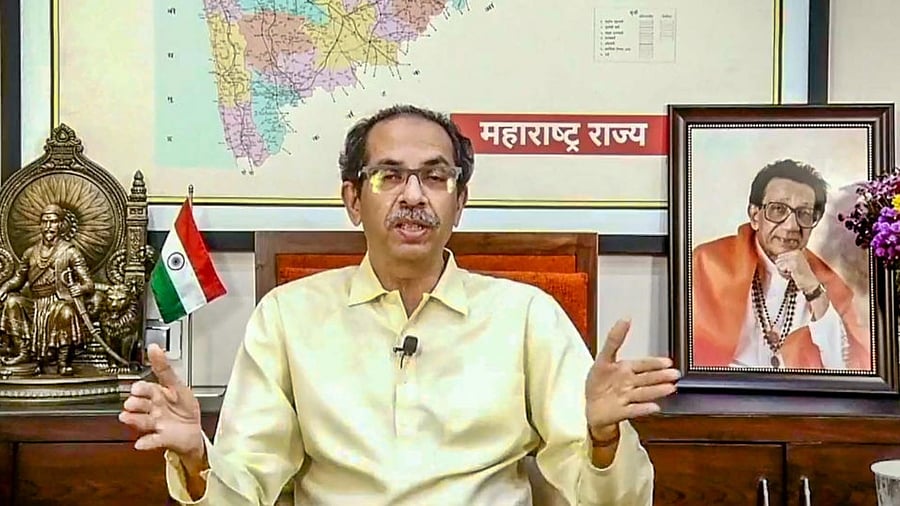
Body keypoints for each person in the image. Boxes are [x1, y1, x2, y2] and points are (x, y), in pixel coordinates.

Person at [119, 105, 679, 505]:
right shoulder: (288, 317)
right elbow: (245, 490)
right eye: (389, 176)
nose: (413, 195)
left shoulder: (527, 315)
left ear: (459, 202)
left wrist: (604, 440)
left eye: (435, 177)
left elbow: (610, 499)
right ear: (352, 200)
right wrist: (197, 456)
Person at [691, 159, 870, 370]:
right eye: (778, 210)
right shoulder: (708, 263)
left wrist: (813, 290)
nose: (791, 226)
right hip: (723, 394)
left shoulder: (826, 283)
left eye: (804, 214)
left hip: (800, 397)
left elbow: (844, 368)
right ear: (754, 215)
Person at [0, 203, 94, 375]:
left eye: (53, 222)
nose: (49, 227)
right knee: (13, 302)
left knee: (66, 312)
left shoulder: (70, 252)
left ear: (61, 225)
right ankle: (23, 352)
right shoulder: (30, 253)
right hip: (35, 302)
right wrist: (5, 287)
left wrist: (79, 288)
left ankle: (62, 361)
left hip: (58, 301)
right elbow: (18, 279)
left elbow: (89, 283)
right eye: (45, 222)